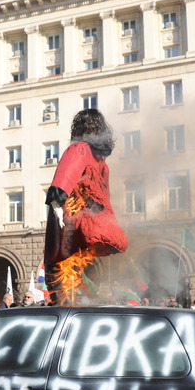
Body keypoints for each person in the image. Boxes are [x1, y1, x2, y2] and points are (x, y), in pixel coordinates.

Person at [44, 108, 128, 304]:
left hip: (73, 219)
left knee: (59, 264)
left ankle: (64, 305)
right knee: (75, 266)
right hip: (94, 223)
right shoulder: (102, 163)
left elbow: (66, 173)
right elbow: (105, 195)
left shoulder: (79, 148)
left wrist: (56, 204)